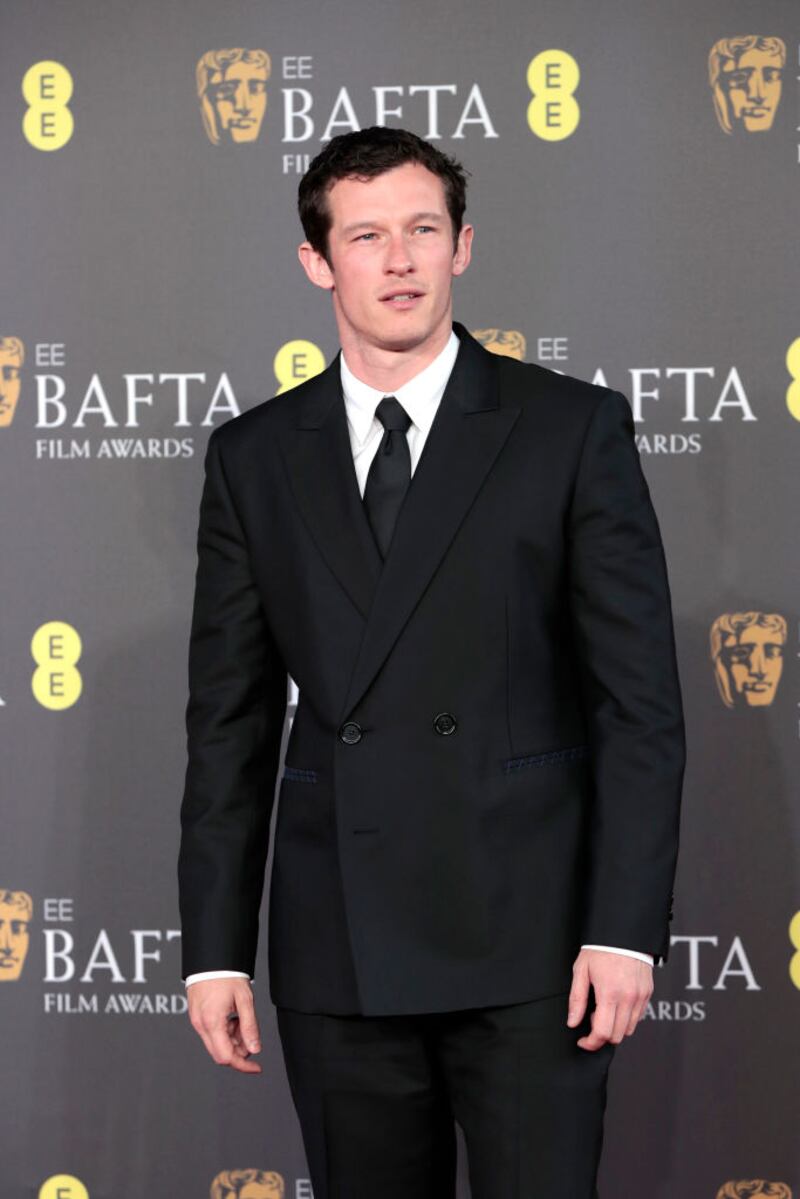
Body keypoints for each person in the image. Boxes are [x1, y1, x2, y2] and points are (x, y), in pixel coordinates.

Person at [178, 126, 685, 1198]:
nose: (398, 258)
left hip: (532, 944)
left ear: (462, 245)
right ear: (319, 261)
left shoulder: (566, 429)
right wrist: (215, 949)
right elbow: (229, 720)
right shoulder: (254, 456)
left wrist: (621, 932)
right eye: (366, 235)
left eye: (422, 229)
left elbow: (635, 705)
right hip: (340, 941)